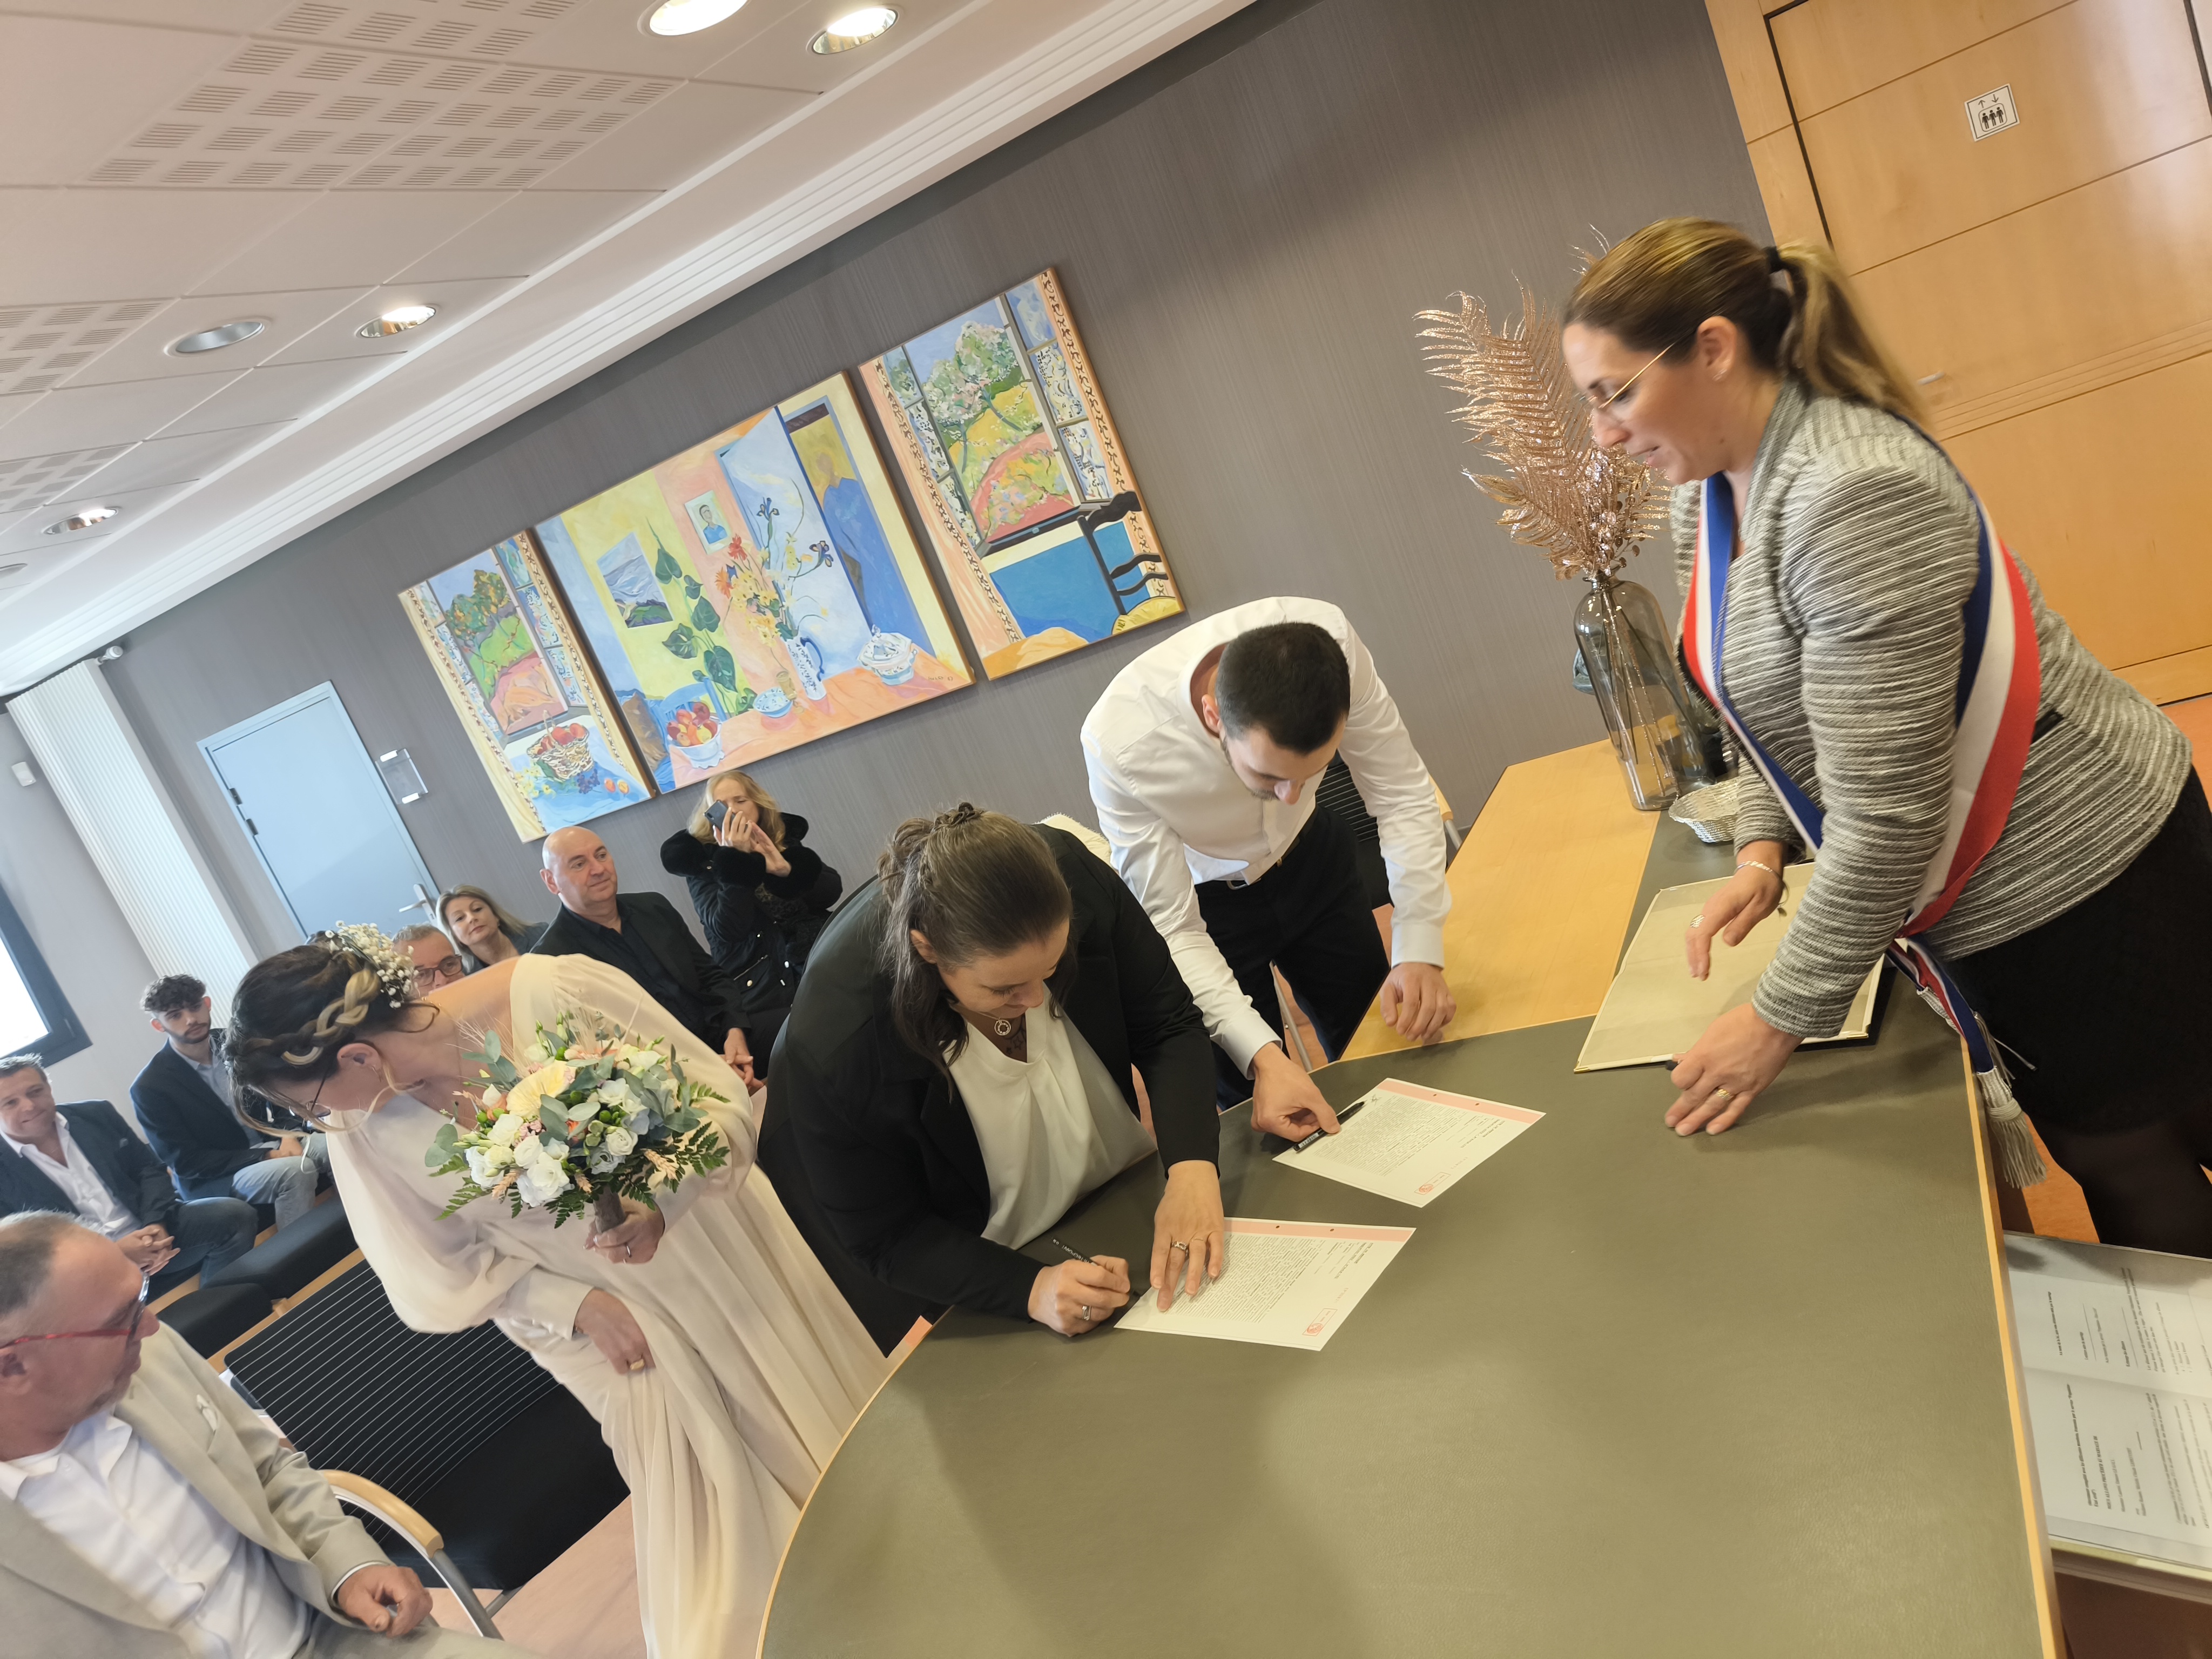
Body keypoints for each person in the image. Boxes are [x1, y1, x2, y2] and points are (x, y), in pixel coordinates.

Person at [1560, 218, 2205, 1252]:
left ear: (1713, 348)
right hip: (1994, 884)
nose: (1601, 433)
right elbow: (1759, 697)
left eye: (1614, 393)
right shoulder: (1711, 488)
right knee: (2117, 1148)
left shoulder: (1847, 490)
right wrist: (1762, 847)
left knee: (2139, 1155)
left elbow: (1889, 817)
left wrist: (1774, 1017)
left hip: (2086, 872)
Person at [224, 928, 886, 1658]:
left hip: (714, 1255)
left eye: (311, 1106)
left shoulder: (555, 990)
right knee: (713, 1535)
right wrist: (575, 1308)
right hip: (596, 1330)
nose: (320, 1123)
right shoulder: (366, 1131)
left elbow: (720, 1103)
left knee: (818, 1437)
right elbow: (433, 1269)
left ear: (357, 1055)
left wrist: (662, 1201)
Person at [774, 807, 1225, 1342]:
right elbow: (887, 1236)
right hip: (980, 1252)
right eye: (1003, 989)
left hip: (1120, 1193)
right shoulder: (839, 1044)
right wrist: (1031, 1289)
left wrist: (1192, 1169)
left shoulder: (1073, 878)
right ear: (927, 950)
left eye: (1051, 969)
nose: (1034, 1000)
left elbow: (1166, 1024)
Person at [0, 1213, 510, 1656]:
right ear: (12, 1366)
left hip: (333, 1637)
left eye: (141, 1300)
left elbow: (268, 1468)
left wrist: (348, 1565)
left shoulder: (150, 1359)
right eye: (122, 1320)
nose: (151, 1327)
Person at [1082, 600, 1457, 1132]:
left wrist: (1418, 945)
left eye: (1310, 773)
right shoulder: (1121, 744)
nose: (1290, 797)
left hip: (1315, 862)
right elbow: (1173, 926)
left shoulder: (1330, 648)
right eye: (1268, 777)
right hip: (1207, 908)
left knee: (1382, 1051)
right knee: (1256, 1106)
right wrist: (1262, 1057)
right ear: (1214, 717)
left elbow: (1401, 794)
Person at [0, 1058, 256, 1296]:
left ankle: (217, 1306)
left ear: (49, 1088)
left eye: (35, 1092)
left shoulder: (96, 1115)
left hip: (152, 1230)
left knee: (233, 1216)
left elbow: (149, 1170)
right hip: (80, 1270)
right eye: (10, 1103)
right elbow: (20, 1252)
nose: (29, 1105)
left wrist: (155, 1225)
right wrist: (114, 1254)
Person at [531, 828, 759, 1082]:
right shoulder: (551, 961)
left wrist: (735, 1032)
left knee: (790, 1034)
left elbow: (711, 977)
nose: (598, 869)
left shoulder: (654, 907)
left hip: (722, 1039)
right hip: (656, 1079)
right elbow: (592, 1053)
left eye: (601, 855)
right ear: (551, 881)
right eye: (579, 864)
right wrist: (704, 1069)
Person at [658, 770, 842, 1070]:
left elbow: (831, 892)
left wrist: (786, 871)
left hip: (818, 959)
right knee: (822, 1028)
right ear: (711, 815)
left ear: (758, 805)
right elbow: (728, 929)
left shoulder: (781, 840)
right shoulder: (703, 865)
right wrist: (736, 861)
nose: (733, 810)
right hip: (761, 988)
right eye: (722, 805)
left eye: (741, 800)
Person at [130, 975, 329, 1230]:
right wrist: (265, 1155)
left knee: (333, 1146)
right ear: (159, 1025)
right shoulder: (150, 1087)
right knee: (295, 1171)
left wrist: (288, 1134)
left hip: (271, 1142)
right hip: (217, 1177)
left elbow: (280, 1094)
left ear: (207, 1004)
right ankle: (302, 1251)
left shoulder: (236, 1043)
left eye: (195, 1007)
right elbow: (188, 1162)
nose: (190, 1019)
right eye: (175, 1015)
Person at [435, 886, 545, 974]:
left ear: (496, 915)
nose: (472, 918)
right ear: (454, 936)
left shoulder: (541, 935)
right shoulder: (463, 976)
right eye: (460, 918)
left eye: (477, 909)